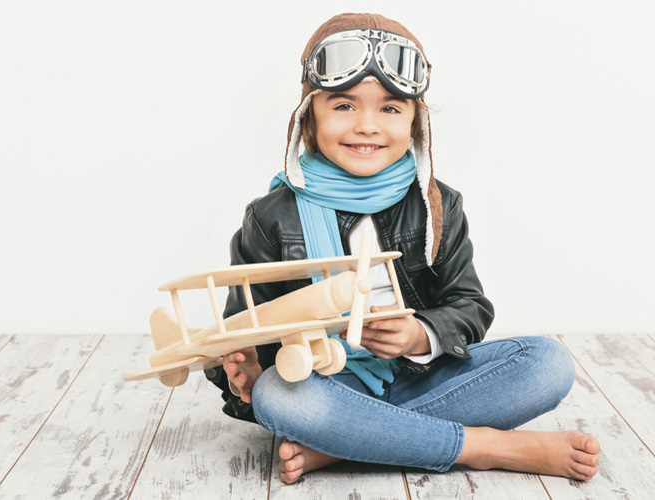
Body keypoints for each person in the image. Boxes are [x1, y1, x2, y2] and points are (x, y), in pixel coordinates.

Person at [204, 13, 600, 484]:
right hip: (329, 383)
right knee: (279, 395)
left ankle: (346, 445)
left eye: (390, 108)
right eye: (344, 106)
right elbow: (246, 325)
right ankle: (484, 446)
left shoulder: (438, 205)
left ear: (416, 121)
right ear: (310, 114)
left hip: (419, 374)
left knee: (547, 363)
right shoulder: (271, 217)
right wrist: (242, 367)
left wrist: (418, 336)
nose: (367, 125)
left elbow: (469, 306)